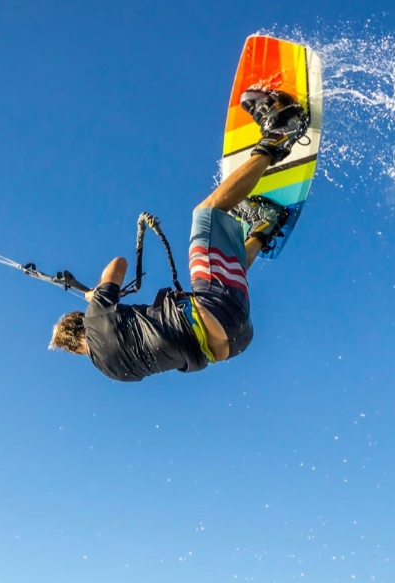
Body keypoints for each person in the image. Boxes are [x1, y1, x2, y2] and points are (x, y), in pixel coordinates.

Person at [49, 89, 310, 381]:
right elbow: (118, 265)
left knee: (217, 271)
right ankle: (278, 134)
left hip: (234, 340)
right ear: (79, 322)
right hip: (216, 308)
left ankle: (265, 228)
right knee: (206, 213)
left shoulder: (114, 372)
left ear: (75, 351)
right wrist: (97, 294)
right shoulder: (95, 320)